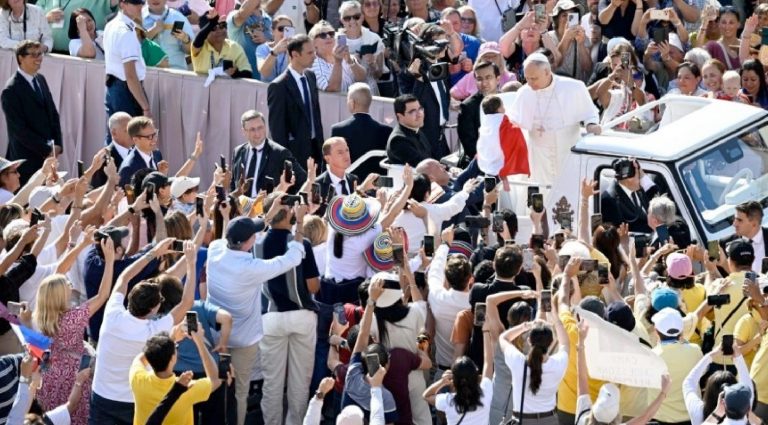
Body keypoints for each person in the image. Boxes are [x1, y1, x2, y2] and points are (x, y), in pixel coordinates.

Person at [206, 213, 307, 425]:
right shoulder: (251, 268)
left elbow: (227, 239)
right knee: (240, 392)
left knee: (215, 388)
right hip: (243, 341)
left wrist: (271, 212)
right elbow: (292, 259)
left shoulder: (214, 249)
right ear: (249, 242)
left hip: (215, 337)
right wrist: (299, 223)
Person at [89, 238, 196, 425]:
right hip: (134, 401)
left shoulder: (112, 315)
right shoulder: (155, 330)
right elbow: (187, 302)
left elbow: (124, 277)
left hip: (101, 397)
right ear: (154, 309)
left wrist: (153, 253)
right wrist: (191, 263)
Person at [33, 239, 115, 425]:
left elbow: (51, 283)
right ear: (61, 295)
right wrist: (110, 261)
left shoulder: (39, 317)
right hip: (74, 377)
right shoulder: (73, 318)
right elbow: (103, 295)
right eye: (67, 285)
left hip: (49, 376)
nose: (70, 286)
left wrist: (77, 244)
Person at [258, 193, 320, 424]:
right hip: (301, 316)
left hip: (271, 317)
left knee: (271, 383)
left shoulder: (257, 244)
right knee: (299, 382)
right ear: (287, 212)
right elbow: (313, 286)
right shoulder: (301, 244)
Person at [508, 52, 599, 188]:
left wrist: (591, 125)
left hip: (567, 152)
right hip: (539, 156)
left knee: (568, 190)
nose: (530, 83)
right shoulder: (524, 92)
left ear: (547, 72)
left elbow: (589, 113)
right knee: (540, 192)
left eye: (534, 78)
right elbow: (514, 122)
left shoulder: (573, 87)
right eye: (527, 79)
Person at [129, 327, 222, 424]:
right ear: (173, 358)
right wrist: (200, 342)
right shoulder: (188, 388)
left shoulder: (138, 380)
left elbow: (140, 359)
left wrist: (170, 340)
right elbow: (215, 380)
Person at [1, 40, 62, 186]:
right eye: (33, 55)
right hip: (26, 161)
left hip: (47, 159)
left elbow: (53, 114)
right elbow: (19, 130)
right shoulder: (11, 90)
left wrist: (58, 145)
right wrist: (46, 149)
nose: (38, 58)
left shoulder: (41, 80)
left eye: (40, 54)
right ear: (21, 58)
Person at [424, 318, 495, 425]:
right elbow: (488, 363)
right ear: (476, 377)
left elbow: (426, 396)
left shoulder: (449, 401)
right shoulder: (485, 394)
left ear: (454, 381)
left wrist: (442, 382)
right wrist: (486, 332)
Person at [267, 34, 324, 167]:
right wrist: (285, 160)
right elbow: (277, 129)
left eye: (314, 52)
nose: (314, 56)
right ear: (295, 55)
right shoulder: (278, 86)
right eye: (309, 53)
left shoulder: (311, 76)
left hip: (316, 149)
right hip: (294, 154)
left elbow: (315, 114)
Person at [229, 110, 307, 196]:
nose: (257, 133)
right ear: (244, 131)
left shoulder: (280, 153)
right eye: (252, 129)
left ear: (265, 127)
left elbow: (303, 180)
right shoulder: (238, 152)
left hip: (268, 203)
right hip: (241, 203)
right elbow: (233, 185)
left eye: (260, 128)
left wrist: (289, 201)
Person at [103, 0, 151, 138]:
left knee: (115, 138)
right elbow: (130, 75)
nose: (140, 6)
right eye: (135, 3)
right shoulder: (126, 32)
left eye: (141, 2)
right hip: (126, 91)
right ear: (122, 4)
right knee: (130, 139)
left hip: (114, 87)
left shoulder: (111, 25)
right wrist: (145, 107)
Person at [649, 307, 704, 424]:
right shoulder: (695, 350)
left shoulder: (650, 357)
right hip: (693, 418)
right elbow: (702, 372)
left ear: (656, 331)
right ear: (681, 331)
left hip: (661, 420)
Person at [330, 83, 391, 178]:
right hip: (376, 183)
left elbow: (332, 162)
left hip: (349, 183)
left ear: (352, 103)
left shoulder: (338, 130)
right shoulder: (386, 130)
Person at [599, 157, 657, 234]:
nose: (642, 178)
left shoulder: (637, 187)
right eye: (639, 175)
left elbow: (658, 197)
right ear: (630, 178)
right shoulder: (609, 200)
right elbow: (614, 236)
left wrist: (639, 171)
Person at [457, 61, 500, 162]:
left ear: (498, 79)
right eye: (479, 79)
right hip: (482, 161)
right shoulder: (468, 107)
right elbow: (469, 145)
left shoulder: (506, 100)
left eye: (488, 77)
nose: (484, 83)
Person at [309, 19, 366, 93]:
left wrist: (350, 61)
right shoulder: (312, 64)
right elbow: (333, 88)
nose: (328, 37)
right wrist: (338, 62)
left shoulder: (344, 55)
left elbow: (362, 78)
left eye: (331, 34)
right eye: (322, 35)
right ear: (313, 43)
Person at [191, 10, 253, 77]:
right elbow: (198, 40)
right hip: (200, 84)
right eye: (213, 28)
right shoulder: (200, 46)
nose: (219, 30)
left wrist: (235, 73)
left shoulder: (234, 47)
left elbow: (248, 74)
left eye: (222, 25)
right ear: (205, 31)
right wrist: (213, 22)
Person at [142, 0, 195, 70]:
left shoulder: (178, 17)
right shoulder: (138, 17)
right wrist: (153, 31)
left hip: (176, 72)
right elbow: (133, 48)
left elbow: (192, 51)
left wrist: (186, 40)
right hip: (147, 72)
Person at [227, 0, 272, 79]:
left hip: (265, 81)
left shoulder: (269, 19)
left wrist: (266, 40)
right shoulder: (234, 16)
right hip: (242, 80)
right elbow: (242, 14)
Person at [91, 112, 134, 189]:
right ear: (114, 133)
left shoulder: (136, 153)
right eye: (128, 130)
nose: (133, 134)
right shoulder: (104, 159)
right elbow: (97, 190)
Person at [386, 94, 432, 167]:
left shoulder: (416, 129)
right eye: (412, 112)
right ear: (400, 116)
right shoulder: (398, 140)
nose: (419, 115)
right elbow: (423, 166)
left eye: (420, 109)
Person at [118, 116, 164, 187]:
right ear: (135, 140)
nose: (154, 139)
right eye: (149, 137)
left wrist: (162, 174)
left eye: (155, 134)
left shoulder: (157, 154)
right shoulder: (128, 168)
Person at [314, 137, 358, 202]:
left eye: (347, 150)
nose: (346, 155)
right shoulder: (317, 185)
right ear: (328, 158)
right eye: (340, 152)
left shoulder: (354, 179)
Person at [731, 201, 767, 272]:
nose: (734, 224)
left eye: (739, 220)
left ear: (754, 223)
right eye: (734, 219)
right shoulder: (725, 243)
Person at [255, 15, 292, 82]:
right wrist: (275, 51)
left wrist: (290, 52)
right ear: (272, 31)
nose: (285, 32)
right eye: (281, 29)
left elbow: (293, 74)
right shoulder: (262, 48)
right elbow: (264, 72)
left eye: (288, 29)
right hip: (267, 87)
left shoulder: (295, 48)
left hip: (287, 87)